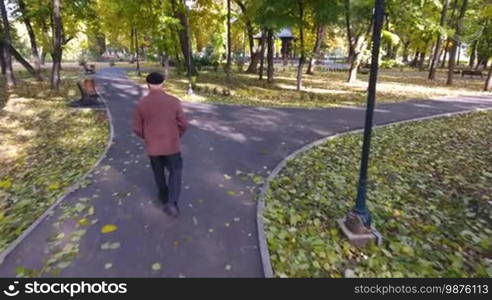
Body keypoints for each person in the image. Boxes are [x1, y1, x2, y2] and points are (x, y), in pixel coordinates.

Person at [132, 72, 188, 217]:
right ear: (163, 83)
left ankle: (163, 196)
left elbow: (137, 128)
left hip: (153, 146)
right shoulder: (174, 101)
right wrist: (176, 136)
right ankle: (172, 203)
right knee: (175, 171)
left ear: (148, 85)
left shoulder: (142, 104)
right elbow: (183, 124)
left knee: (158, 171)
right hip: (171, 145)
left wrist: (148, 137)